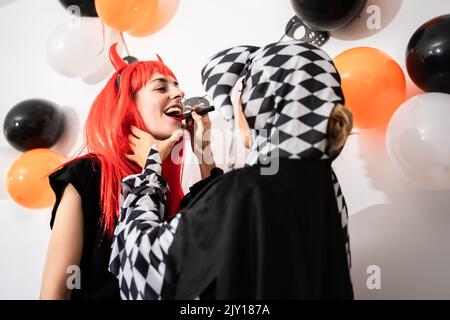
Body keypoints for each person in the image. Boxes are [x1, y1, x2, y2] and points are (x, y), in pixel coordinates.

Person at [109, 40, 354, 299]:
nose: (239, 109)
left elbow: (143, 270)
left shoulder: (252, 187)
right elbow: (228, 246)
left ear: (262, 102)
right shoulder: (323, 188)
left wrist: (148, 174)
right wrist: (204, 156)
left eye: (244, 95)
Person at [40, 43, 216, 299]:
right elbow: (55, 293)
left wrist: (204, 149)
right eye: (161, 87)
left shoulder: (167, 190)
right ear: (127, 105)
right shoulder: (87, 175)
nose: (179, 93)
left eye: (178, 86)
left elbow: (219, 228)